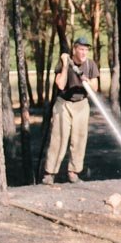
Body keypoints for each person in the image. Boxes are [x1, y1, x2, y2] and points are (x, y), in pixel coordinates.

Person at [41, 36, 101, 184]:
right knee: (58, 138)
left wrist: (86, 80)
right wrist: (66, 66)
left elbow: (95, 87)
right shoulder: (63, 62)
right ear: (74, 49)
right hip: (64, 104)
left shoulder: (90, 64)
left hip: (81, 104)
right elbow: (60, 85)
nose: (83, 52)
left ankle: (73, 172)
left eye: (86, 49)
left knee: (79, 138)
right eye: (81, 49)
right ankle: (50, 173)